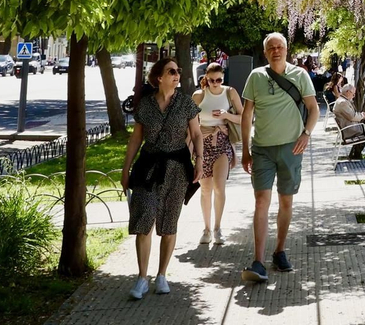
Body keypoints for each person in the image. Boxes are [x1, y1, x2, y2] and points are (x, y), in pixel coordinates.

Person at [120, 56, 203, 300]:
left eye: (177, 71)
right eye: (171, 71)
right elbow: (136, 139)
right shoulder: (145, 105)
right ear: (159, 78)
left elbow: (196, 134)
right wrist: (125, 169)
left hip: (177, 169)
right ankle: (142, 278)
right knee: (144, 218)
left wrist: (199, 159)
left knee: (169, 223)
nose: (177, 75)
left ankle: (162, 275)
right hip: (147, 167)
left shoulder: (186, 103)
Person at [240, 33, 318, 283]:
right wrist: (245, 150)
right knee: (261, 202)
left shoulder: (300, 75)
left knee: (286, 201)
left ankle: (280, 251)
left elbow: (314, 108)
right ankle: (258, 261)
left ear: (286, 50)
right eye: (271, 48)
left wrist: (306, 134)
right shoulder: (256, 76)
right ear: (265, 52)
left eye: (280, 47)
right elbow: (246, 115)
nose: (276, 51)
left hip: (291, 149)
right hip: (262, 148)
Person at [193, 61, 243, 246]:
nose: (215, 83)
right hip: (203, 143)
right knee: (205, 188)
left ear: (223, 78)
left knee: (219, 187)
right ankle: (206, 229)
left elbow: (244, 117)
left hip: (223, 143)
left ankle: (217, 228)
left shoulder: (230, 92)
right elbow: (190, 122)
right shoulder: (199, 96)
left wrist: (226, 115)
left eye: (219, 80)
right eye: (212, 80)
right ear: (206, 79)